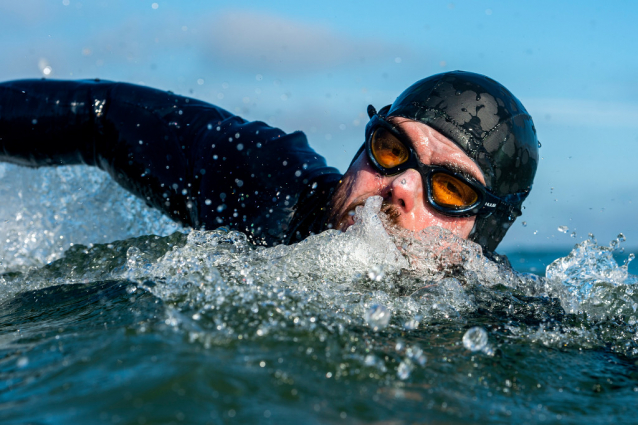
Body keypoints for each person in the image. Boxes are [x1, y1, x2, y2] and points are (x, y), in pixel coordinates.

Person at [0, 71, 538, 254]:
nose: (399, 187)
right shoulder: (265, 182)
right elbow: (103, 116)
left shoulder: (504, 321)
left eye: (449, 190)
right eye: (393, 151)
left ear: (483, 233)